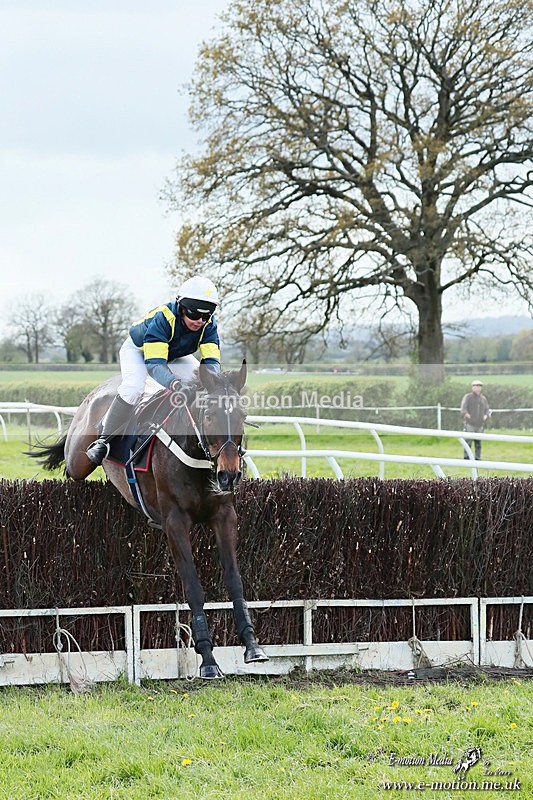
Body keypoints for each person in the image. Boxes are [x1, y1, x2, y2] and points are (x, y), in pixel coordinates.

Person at [86, 275, 221, 465]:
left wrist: (212, 383)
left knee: (202, 384)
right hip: (139, 351)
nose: (199, 321)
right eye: (194, 315)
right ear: (182, 308)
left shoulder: (209, 325)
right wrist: (175, 384)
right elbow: (155, 364)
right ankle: (103, 441)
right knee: (133, 389)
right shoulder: (163, 319)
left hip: (173, 354)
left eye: (205, 316)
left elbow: (212, 362)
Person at [460, 380, 490, 460]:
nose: (477, 388)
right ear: (472, 387)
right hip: (470, 424)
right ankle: (466, 458)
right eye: (476, 386)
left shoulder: (483, 399)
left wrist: (485, 416)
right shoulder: (468, 397)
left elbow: (487, 410)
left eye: (479, 386)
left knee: (478, 443)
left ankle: (478, 458)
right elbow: (463, 409)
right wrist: (468, 415)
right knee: (468, 442)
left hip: (479, 425)